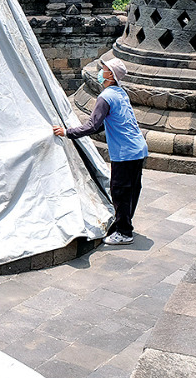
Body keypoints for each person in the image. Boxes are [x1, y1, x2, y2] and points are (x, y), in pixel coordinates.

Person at [53, 57, 148, 245]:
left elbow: (92, 125)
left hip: (125, 152)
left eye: (103, 69)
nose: (100, 71)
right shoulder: (120, 93)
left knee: (119, 191)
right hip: (139, 148)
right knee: (132, 189)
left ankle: (124, 232)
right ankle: (125, 224)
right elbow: (101, 126)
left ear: (110, 76)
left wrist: (67, 132)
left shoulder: (105, 97)